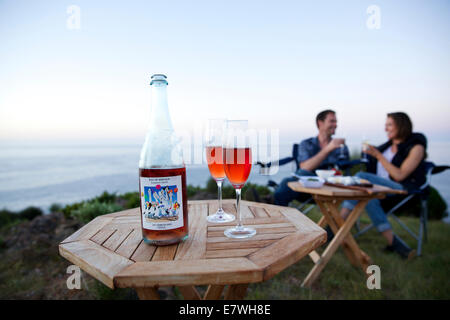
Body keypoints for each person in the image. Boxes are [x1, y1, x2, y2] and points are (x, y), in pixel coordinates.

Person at [338, 112, 427, 259]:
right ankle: (395, 244)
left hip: (402, 190)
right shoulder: (386, 147)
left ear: (402, 125)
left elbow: (400, 176)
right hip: (379, 191)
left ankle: (336, 225)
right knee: (368, 195)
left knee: (361, 177)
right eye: (385, 125)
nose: (386, 129)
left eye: (389, 125)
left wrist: (378, 155)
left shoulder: (416, 147)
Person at [274, 109, 349, 206]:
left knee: (294, 177)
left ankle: (269, 202)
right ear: (320, 123)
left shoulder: (341, 147)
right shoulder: (306, 144)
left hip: (331, 188)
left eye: (336, 122)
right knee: (291, 181)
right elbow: (305, 167)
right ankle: (276, 213)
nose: (335, 125)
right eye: (332, 121)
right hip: (306, 190)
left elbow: (344, 170)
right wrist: (328, 149)